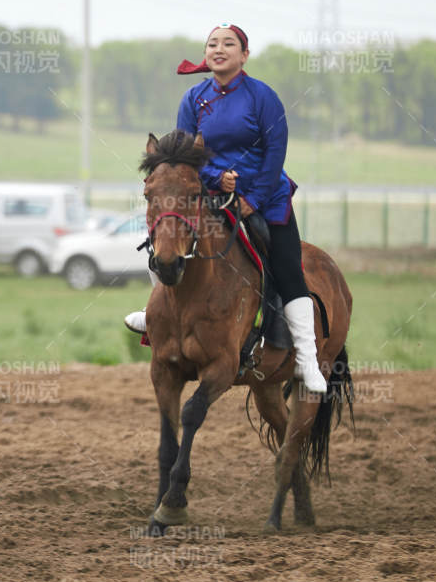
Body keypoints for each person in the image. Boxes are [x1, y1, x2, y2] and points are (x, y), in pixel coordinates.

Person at [123, 23, 326, 394]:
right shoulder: (193, 98)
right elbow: (184, 156)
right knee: (165, 236)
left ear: (244, 55)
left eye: (228, 44)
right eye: (212, 44)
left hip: (266, 196)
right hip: (210, 192)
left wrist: (253, 199)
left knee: (287, 268)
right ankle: (156, 315)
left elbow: (275, 153)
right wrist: (217, 178)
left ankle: (309, 361)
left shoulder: (263, 97)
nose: (219, 49)